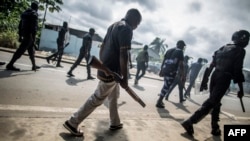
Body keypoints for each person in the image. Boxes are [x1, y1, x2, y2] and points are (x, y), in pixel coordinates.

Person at [63, 8, 142, 136]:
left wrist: (103, 66)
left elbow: (103, 46)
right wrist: (125, 78)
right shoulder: (126, 29)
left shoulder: (113, 26)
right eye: (137, 23)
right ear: (133, 19)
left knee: (114, 97)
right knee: (97, 98)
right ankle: (72, 122)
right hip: (112, 72)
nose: (136, 27)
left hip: (108, 69)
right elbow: (124, 54)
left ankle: (115, 122)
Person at [181, 30, 249, 137]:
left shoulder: (222, 48)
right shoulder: (240, 51)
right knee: (212, 102)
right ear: (243, 39)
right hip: (224, 78)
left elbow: (211, 65)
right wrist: (241, 89)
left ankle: (215, 128)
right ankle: (190, 121)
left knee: (216, 102)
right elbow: (237, 70)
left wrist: (205, 80)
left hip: (215, 76)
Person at [6, 1, 40, 71]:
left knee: (31, 51)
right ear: (36, 7)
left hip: (25, 34)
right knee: (20, 51)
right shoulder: (34, 14)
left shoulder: (25, 13)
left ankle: (34, 66)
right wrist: (33, 39)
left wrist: (20, 35)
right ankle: (10, 64)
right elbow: (33, 28)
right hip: (29, 36)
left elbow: (20, 25)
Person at [156, 40, 186, 108]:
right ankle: (159, 101)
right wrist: (183, 75)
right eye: (182, 46)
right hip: (171, 71)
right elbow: (181, 64)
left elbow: (164, 60)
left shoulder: (169, 50)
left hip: (165, 69)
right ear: (178, 44)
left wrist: (161, 70)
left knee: (165, 85)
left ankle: (160, 100)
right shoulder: (180, 51)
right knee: (166, 86)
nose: (183, 47)